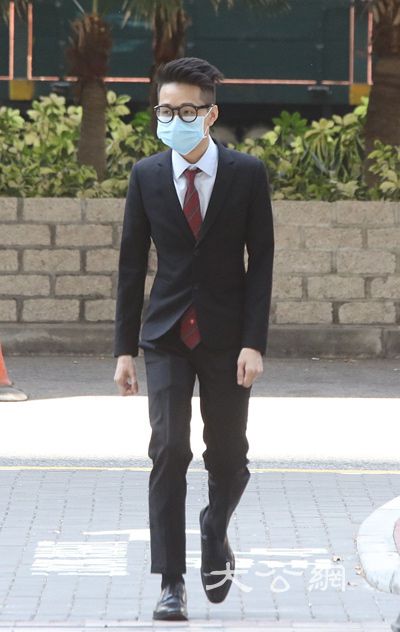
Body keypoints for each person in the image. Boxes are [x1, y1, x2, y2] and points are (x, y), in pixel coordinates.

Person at [113, 56, 274, 621]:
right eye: (165, 110)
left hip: (227, 338)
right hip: (165, 335)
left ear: (210, 115)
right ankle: (171, 581)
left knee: (228, 457)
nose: (174, 120)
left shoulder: (246, 174)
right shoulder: (147, 175)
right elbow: (131, 265)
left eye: (186, 111)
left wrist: (254, 342)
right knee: (169, 449)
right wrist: (124, 350)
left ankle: (214, 525)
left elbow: (261, 262)